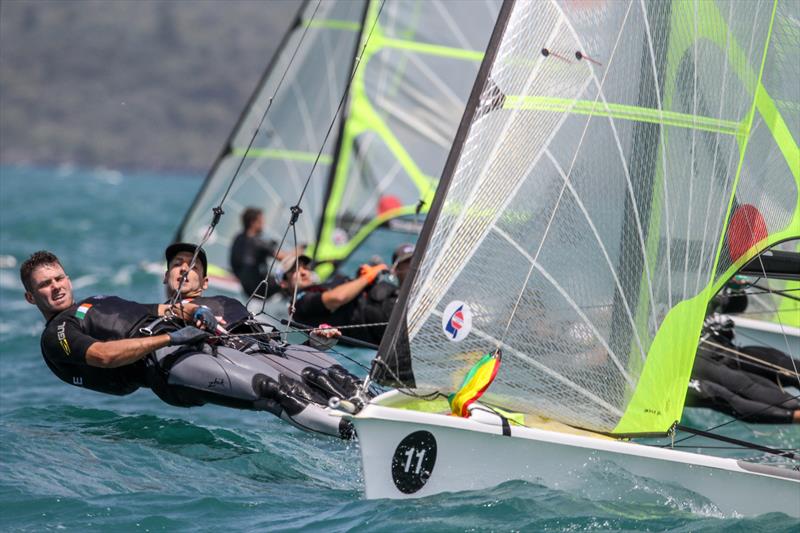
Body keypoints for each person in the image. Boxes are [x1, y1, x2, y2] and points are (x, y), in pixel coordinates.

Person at [22, 249, 361, 439]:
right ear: (29, 296)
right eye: (44, 285)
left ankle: (373, 406)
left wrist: (193, 311)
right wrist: (171, 336)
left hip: (193, 344)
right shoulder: (58, 332)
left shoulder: (99, 299)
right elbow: (104, 356)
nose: (56, 287)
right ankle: (357, 435)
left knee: (328, 377)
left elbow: (162, 308)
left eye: (59, 278)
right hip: (166, 363)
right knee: (272, 389)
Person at [685, 315, 800, 423]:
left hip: (728, 354)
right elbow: (731, 400)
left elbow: (738, 302)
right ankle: (793, 415)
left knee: (790, 370)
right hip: (693, 372)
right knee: (725, 395)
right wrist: (792, 416)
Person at [279, 253, 391, 344]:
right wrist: (368, 277)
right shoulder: (299, 304)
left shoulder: (320, 287)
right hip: (385, 316)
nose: (304, 272)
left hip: (387, 303)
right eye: (295, 270)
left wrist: (359, 277)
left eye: (305, 267)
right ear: (283, 282)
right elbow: (338, 298)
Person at [229, 207, 287, 298]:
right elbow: (284, 258)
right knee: (289, 279)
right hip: (259, 288)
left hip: (246, 288)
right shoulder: (258, 243)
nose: (263, 224)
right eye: (261, 222)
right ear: (253, 222)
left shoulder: (238, 238)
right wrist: (300, 252)